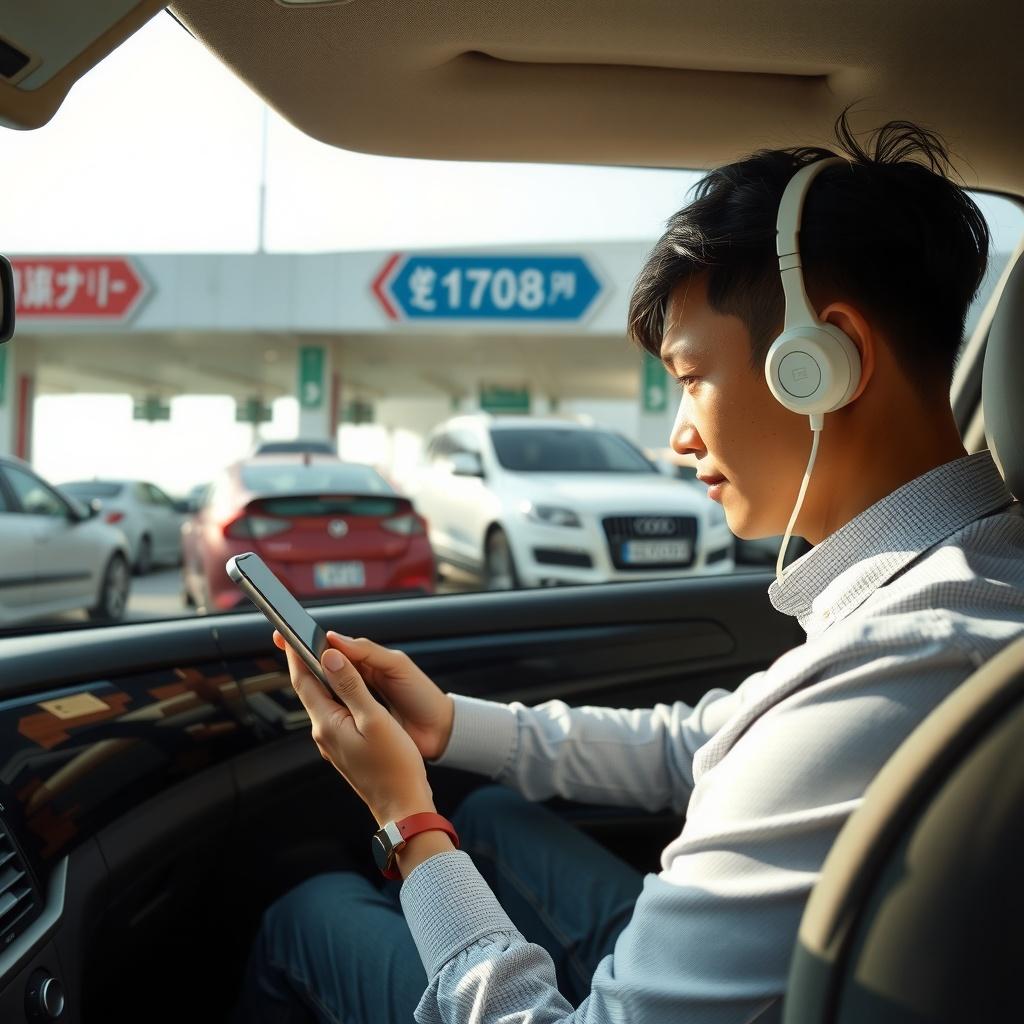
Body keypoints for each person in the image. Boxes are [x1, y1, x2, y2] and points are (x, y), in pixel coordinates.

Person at [233, 113, 1024, 1023]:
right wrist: (452, 727)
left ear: (827, 360)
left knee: (314, 914)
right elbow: (712, 743)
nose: (681, 436)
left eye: (691, 378)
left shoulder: (896, 662)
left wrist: (407, 823)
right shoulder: (964, 585)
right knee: (491, 820)